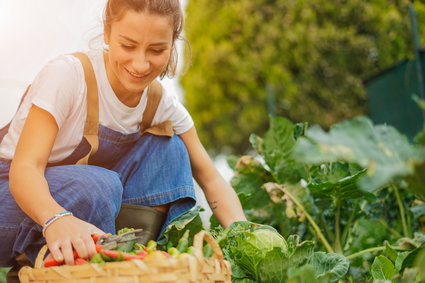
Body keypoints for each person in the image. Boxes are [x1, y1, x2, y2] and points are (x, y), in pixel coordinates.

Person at [0, 0, 246, 272]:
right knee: (98, 186)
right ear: (107, 32)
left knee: (171, 148)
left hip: (80, 204)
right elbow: (24, 170)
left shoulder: (160, 104)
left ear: (172, 43)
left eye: (156, 50)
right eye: (128, 46)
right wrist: (56, 219)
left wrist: (247, 239)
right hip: (12, 196)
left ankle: (126, 265)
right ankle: (34, 264)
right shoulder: (68, 75)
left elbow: (211, 179)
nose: (140, 65)